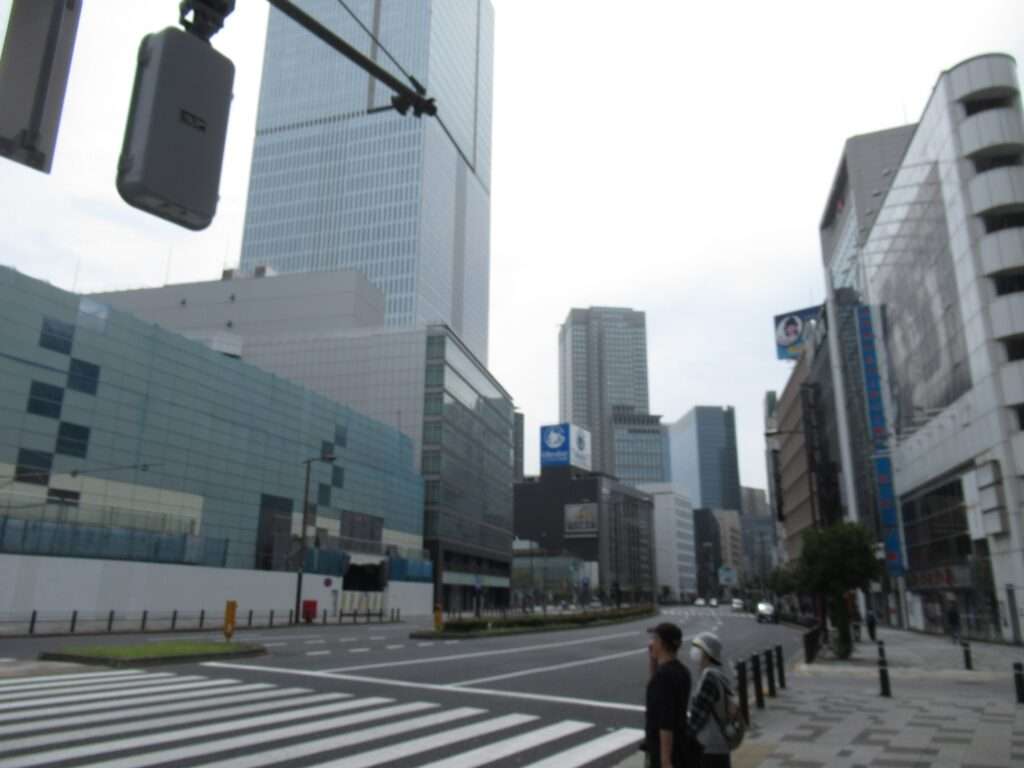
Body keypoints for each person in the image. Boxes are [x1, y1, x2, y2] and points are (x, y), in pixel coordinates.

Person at [644, 622, 693, 767]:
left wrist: (665, 760)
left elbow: (666, 720)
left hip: (663, 752)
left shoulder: (663, 677)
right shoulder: (683, 671)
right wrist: (653, 660)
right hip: (680, 744)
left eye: (654, 639)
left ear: (661, 643)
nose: (651, 643)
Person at [688, 632, 732, 768]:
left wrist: (683, 737)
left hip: (709, 745)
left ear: (707, 653)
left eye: (698, 648)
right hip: (720, 743)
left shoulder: (709, 677)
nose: (694, 652)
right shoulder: (719, 673)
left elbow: (698, 715)